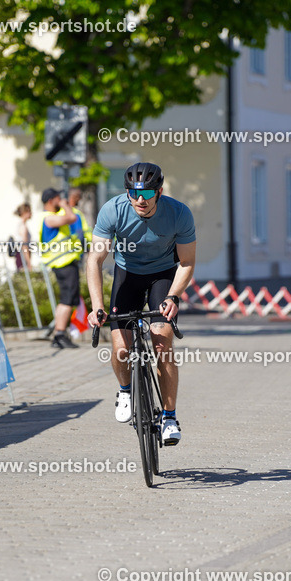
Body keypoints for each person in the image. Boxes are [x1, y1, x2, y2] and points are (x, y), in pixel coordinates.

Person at [86, 162, 196, 446]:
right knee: (121, 347)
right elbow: (95, 259)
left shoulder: (179, 213)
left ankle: (169, 417)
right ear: (127, 193)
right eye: (134, 193)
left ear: (159, 191)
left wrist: (173, 296)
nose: (140, 200)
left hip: (163, 275)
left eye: (147, 193)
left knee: (162, 343)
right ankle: (125, 390)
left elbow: (187, 262)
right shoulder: (113, 210)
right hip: (128, 274)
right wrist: (97, 306)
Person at [39, 188, 90, 348]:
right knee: (67, 300)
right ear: (51, 200)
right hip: (63, 263)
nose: (61, 199)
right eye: (58, 198)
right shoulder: (49, 218)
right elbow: (71, 217)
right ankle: (59, 335)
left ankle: (59, 334)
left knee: (67, 299)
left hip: (65, 263)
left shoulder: (50, 217)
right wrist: (65, 205)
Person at [11, 202, 33, 270]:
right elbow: (24, 245)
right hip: (22, 257)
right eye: (29, 211)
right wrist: (28, 263)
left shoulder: (20, 225)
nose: (31, 213)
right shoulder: (23, 226)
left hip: (21, 256)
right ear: (24, 213)